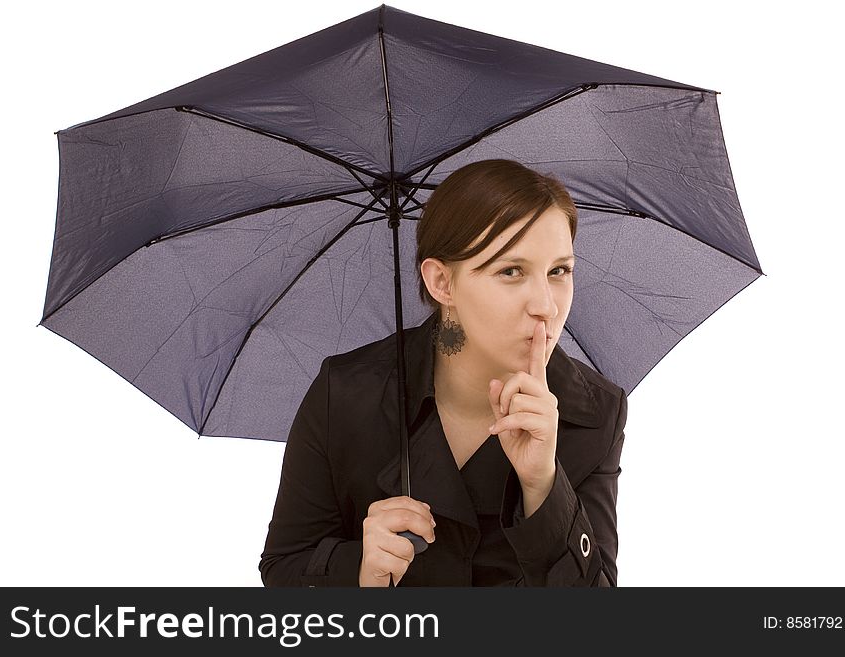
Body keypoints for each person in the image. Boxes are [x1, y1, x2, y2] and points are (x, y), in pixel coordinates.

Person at [259, 159, 628, 587]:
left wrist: (544, 485)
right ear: (441, 282)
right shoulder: (345, 394)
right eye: (511, 271)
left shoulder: (595, 411)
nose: (546, 305)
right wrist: (359, 569)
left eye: (559, 271)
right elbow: (283, 570)